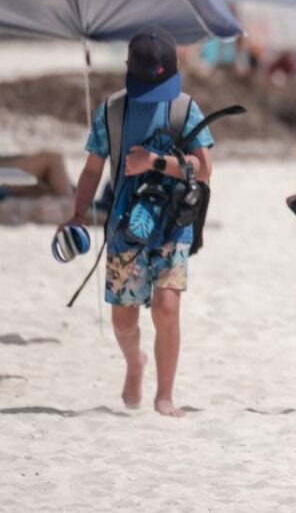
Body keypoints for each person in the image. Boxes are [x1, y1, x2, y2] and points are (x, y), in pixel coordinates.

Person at [61, 26, 215, 418]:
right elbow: (93, 170)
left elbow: (205, 168)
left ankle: (165, 395)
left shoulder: (184, 108)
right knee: (123, 318)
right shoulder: (112, 111)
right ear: (128, 69)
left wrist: (155, 162)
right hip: (124, 225)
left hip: (173, 223)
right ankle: (135, 363)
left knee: (167, 308)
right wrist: (78, 214)